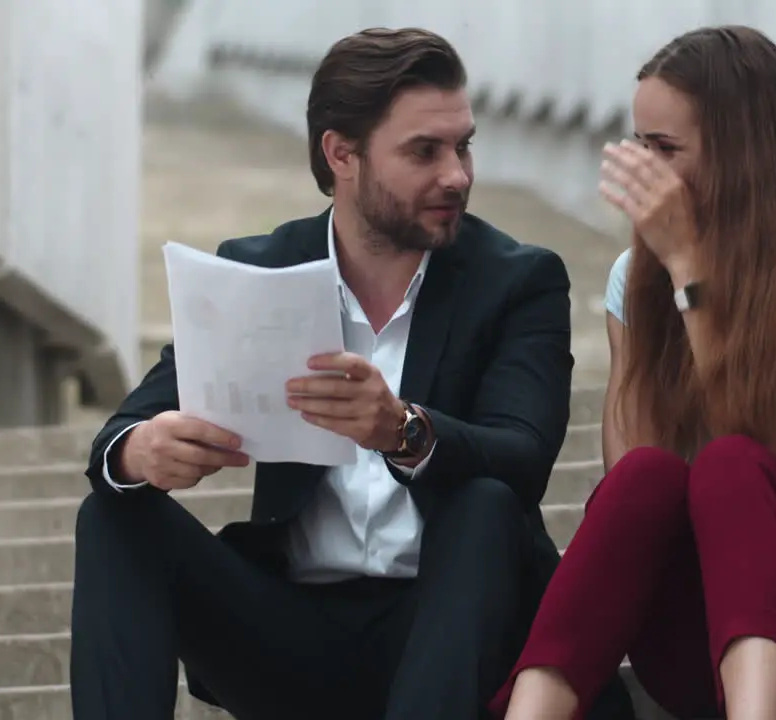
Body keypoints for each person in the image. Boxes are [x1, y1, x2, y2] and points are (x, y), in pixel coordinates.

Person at [68, 27, 635, 720]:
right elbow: (118, 434)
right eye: (424, 151)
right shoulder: (259, 270)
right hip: (296, 635)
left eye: (463, 145)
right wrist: (140, 450)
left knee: (484, 503)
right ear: (342, 154)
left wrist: (404, 430)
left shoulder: (517, 280)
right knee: (114, 515)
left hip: (458, 628)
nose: (456, 174)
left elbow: (522, 458)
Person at [489, 25, 776, 720]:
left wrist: (690, 272)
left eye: (665, 149)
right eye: (637, 144)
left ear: (743, 153)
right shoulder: (632, 279)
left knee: (733, 461)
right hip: (701, 644)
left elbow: (765, 435)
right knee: (646, 479)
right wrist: (668, 271)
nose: (644, 170)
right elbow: (638, 476)